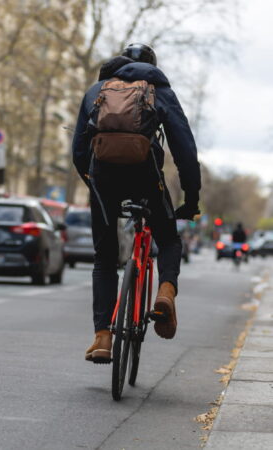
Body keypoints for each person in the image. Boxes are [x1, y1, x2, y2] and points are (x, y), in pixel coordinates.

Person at [72, 43, 201, 363]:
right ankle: (165, 292)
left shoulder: (97, 90)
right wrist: (191, 198)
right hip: (145, 176)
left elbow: (78, 149)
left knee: (105, 257)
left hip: (103, 176)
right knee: (169, 239)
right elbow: (184, 149)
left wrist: (94, 186)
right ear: (152, 65)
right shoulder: (159, 91)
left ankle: (103, 337)